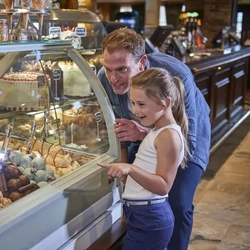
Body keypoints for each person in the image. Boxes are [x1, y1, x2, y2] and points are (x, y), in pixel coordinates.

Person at [97, 28, 211, 250]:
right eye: (108, 68)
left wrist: (143, 134)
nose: (113, 78)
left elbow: (185, 139)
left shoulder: (176, 75)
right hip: (147, 133)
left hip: (183, 136)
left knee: (178, 201)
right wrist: (126, 164)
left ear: (142, 62)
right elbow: (120, 128)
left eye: (121, 69)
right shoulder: (105, 79)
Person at [98, 67, 189, 250]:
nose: (135, 110)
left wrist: (130, 168)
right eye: (132, 103)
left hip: (150, 217)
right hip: (142, 214)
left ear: (165, 103)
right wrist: (126, 175)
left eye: (141, 104)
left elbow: (163, 185)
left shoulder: (168, 136)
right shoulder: (158, 131)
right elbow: (149, 169)